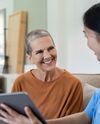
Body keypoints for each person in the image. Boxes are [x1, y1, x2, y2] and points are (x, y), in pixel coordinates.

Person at [0, 29, 83, 124]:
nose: (47, 56)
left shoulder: (73, 84)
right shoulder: (20, 82)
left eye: (51, 48)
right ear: (30, 58)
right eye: (39, 52)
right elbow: (12, 118)